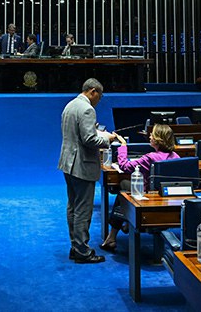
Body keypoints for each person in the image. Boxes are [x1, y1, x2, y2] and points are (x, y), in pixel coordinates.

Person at [58, 78, 114, 263]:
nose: (99, 99)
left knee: (73, 206)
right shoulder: (88, 109)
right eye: (100, 95)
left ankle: (75, 246)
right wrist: (108, 139)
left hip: (68, 163)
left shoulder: (70, 105)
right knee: (83, 209)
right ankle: (82, 251)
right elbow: (89, 140)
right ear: (93, 91)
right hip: (82, 165)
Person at [100, 124, 179, 253]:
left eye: (152, 134)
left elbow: (125, 166)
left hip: (148, 199)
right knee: (127, 187)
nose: (150, 136)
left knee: (124, 187)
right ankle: (124, 224)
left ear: (158, 139)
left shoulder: (150, 158)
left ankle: (113, 234)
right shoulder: (176, 157)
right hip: (167, 199)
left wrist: (123, 146)